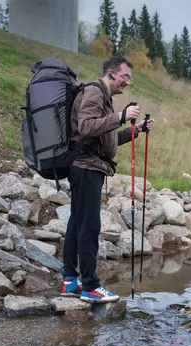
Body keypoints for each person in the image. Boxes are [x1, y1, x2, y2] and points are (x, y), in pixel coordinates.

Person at [61, 56, 154, 303]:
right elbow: (87, 126)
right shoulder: (94, 92)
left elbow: (109, 139)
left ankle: (70, 282)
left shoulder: (105, 98)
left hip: (90, 165)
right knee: (89, 226)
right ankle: (91, 286)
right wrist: (121, 115)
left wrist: (139, 128)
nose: (128, 82)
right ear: (111, 73)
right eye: (125, 76)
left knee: (76, 223)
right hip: (85, 166)